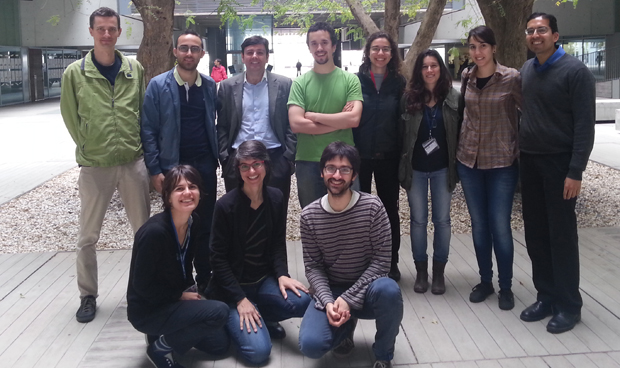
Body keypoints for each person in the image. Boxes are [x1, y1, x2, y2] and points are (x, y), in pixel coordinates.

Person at [60, 7, 151, 323]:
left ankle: (144, 291)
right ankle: (88, 295)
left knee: (144, 232)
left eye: (112, 29)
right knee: (87, 236)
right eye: (101, 29)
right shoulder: (75, 73)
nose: (107, 34)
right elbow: (71, 117)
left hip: (132, 163)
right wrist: (86, 146)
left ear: (119, 32)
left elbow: (143, 111)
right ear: (92, 31)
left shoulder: (134, 69)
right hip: (95, 166)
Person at [519, 13, 595, 333]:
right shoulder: (527, 69)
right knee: (536, 234)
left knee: (561, 236)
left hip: (560, 164)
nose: (536, 35)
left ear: (555, 35)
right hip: (530, 163)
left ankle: (569, 305)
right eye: (531, 31)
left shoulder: (575, 72)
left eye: (542, 30)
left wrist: (575, 170)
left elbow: (584, 126)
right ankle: (546, 296)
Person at [298, 142, 403, 368]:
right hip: (333, 290)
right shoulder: (309, 215)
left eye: (344, 169)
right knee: (311, 345)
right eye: (330, 168)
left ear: (354, 175)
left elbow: (382, 262)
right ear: (321, 172)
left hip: (369, 290)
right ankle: (344, 328)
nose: (337, 175)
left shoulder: (372, 207)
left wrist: (348, 299)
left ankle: (383, 354)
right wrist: (329, 303)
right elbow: (313, 267)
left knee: (389, 290)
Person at [206, 140, 312, 365]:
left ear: (266, 165)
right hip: (232, 289)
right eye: (244, 166)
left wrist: (282, 274)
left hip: (263, 281)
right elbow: (217, 259)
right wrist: (239, 299)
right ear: (238, 170)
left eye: (257, 164)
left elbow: (276, 243)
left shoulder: (275, 197)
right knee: (259, 353)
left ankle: (261, 314)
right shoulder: (225, 206)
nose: (251, 171)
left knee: (303, 300)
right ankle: (234, 317)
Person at [127, 165, 229, 368]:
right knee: (220, 312)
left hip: (171, 300)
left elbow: (184, 265)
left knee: (219, 345)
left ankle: (161, 334)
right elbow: (142, 287)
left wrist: (190, 293)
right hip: (148, 309)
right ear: (168, 197)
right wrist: (179, 296)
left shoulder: (193, 222)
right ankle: (160, 349)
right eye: (179, 189)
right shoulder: (155, 232)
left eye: (192, 186)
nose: (187, 193)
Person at [141, 29, 219, 293]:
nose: (189, 53)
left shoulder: (209, 85)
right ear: (175, 51)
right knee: (177, 224)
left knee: (206, 223)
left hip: (205, 164)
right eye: (184, 48)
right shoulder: (158, 85)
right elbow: (148, 129)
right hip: (173, 167)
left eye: (194, 49)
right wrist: (154, 170)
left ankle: (206, 277)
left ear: (202, 54)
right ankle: (181, 279)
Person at [456, 26, 522, 311]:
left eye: (483, 46)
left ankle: (506, 286)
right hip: (469, 161)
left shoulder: (511, 78)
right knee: (479, 225)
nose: (477, 52)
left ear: (494, 48)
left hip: (502, 163)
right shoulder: (466, 77)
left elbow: (528, 114)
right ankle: (485, 281)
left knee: (499, 225)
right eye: (472, 46)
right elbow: (463, 114)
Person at [399, 49, 462, 295]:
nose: (429, 70)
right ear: (419, 71)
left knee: (443, 221)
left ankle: (439, 273)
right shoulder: (409, 99)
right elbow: (401, 134)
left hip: (442, 169)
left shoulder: (454, 98)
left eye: (433, 65)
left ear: (440, 68)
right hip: (415, 169)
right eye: (424, 66)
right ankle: (421, 272)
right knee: (418, 221)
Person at [288, 21, 363, 208]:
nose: (319, 48)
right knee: (312, 219)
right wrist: (340, 120)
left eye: (324, 42)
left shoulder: (350, 80)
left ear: (334, 46)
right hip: (308, 161)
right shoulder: (299, 83)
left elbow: (354, 119)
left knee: (349, 218)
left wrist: (314, 116)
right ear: (309, 47)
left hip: (344, 159)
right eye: (314, 43)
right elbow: (296, 124)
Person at [217, 35, 296, 211]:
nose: (255, 56)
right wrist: (225, 157)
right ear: (242, 56)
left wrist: (288, 157)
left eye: (260, 52)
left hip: (275, 157)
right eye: (250, 52)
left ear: (267, 57)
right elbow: (222, 125)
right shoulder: (227, 87)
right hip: (238, 158)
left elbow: (291, 123)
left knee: (276, 213)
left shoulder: (284, 84)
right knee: (238, 215)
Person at [353, 31, 406, 281]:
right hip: (360, 155)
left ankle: (390, 261)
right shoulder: (356, 80)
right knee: (360, 211)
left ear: (391, 53)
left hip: (388, 155)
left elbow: (404, 118)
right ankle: (363, 261)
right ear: (368, 51)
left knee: (388, 211)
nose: (380, 53)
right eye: (376, 48)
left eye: (385, 49)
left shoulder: (400, 83)